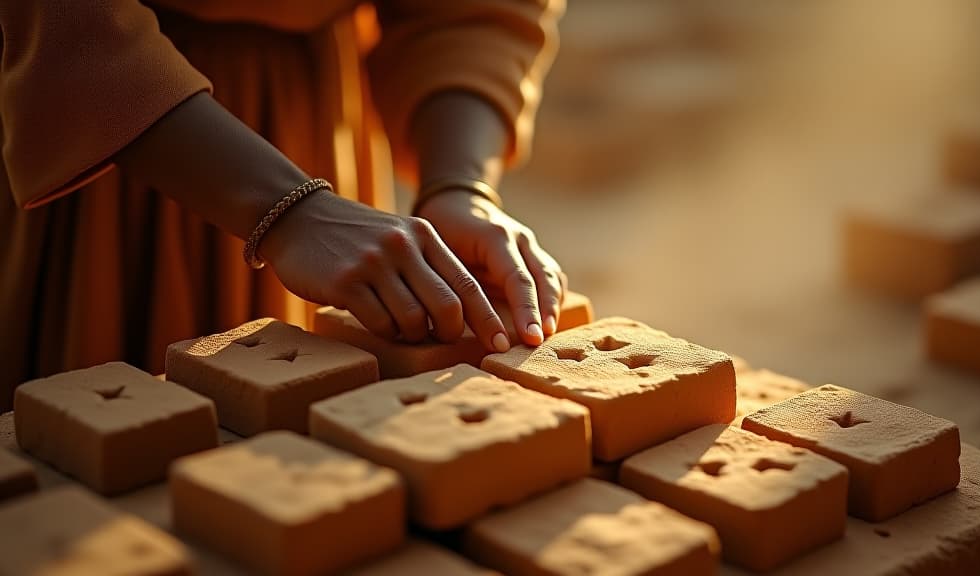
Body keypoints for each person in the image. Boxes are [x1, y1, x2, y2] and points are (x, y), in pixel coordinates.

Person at [0, 0, 568, 411]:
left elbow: (469, 11)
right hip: (121, 144)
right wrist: (287, 211)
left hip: (310, 120)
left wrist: (459, 183)